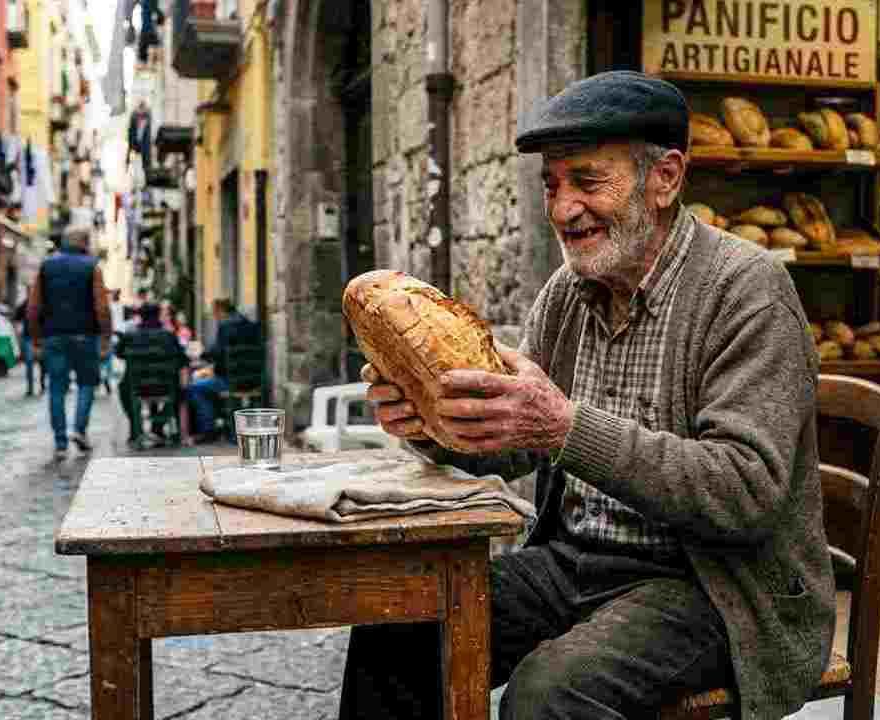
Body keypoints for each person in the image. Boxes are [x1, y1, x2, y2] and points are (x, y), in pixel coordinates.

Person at [340, 71, 835, 720]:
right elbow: (515, 449)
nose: (562, 208)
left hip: (713, 586)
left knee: (548, 696)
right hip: (577, 564)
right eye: (552, 184)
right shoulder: (567, 294)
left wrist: (564, 428)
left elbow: (744, 492)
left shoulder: (747, 291)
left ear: (666, 178)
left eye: (588, 181)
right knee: (399, 620)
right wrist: (430, 424)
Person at [28, 220, 112, 460]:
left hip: (53, 336)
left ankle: (60, 442)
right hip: (85, 335)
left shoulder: (46, 266)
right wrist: (105, 336)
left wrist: (35, 338)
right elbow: (101, 306)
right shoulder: (91, 266)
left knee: (57, 387)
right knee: (86, 383)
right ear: (84, 243)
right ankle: (80, 430)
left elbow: (34, 306)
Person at [183, 298, 259, 442]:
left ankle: (208, 430)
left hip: (230, 381)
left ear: (220, 311)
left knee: (195, 388)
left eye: (214, 313)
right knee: (207, 383)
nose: (214, 316)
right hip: (253, 379)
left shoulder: (226, 326)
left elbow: (217, 354)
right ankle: (224, 424)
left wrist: (200, 354)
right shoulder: (251, 325)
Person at [116, 302, 187, 449]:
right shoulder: (169, 336)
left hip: (135, 388)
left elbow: (119, 353)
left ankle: (135, 429)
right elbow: (182, 360)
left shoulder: (130, 335)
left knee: (123, 389)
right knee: (179, 391)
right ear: (159, 315)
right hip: (166, 387)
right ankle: (158, 427)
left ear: (140, 316)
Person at [13, 290, 45, 396]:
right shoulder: (25, 303)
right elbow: (16, 317)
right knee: (30, 362)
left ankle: (42, 384)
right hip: (28, 337)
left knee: (42, 362)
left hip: (40, 337)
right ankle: (30, 387)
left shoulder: (43, 303)